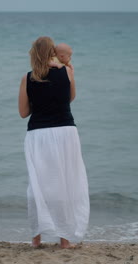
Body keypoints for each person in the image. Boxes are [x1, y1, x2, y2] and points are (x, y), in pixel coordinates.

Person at [18, 36, 90, 249]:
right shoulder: (67, 71)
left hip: (38, 134)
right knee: (66, 182)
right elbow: (70, 98)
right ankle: (65, 240)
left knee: (38, 185)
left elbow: (23, 113)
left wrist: (37, 102)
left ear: (33, 55)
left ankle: (36, 238)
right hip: (66, 131)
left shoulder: (27, 78)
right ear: (52, 52)